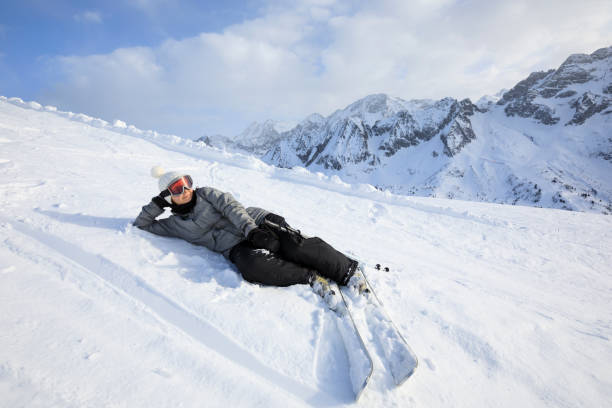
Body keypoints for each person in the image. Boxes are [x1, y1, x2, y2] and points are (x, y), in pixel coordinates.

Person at [133, 166, 362, 305]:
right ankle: (311, 277)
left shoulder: (207, 194)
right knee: (252, 268)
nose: (185, 191)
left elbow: (232, 207)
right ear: (168, 196)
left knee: (295, 247)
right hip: (235, 247)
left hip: (256, 221)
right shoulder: (174, 224)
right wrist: (156, 204)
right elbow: (141, 224)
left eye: (186, 183)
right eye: (176, 189)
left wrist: (252, 231)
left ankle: (348, 272)